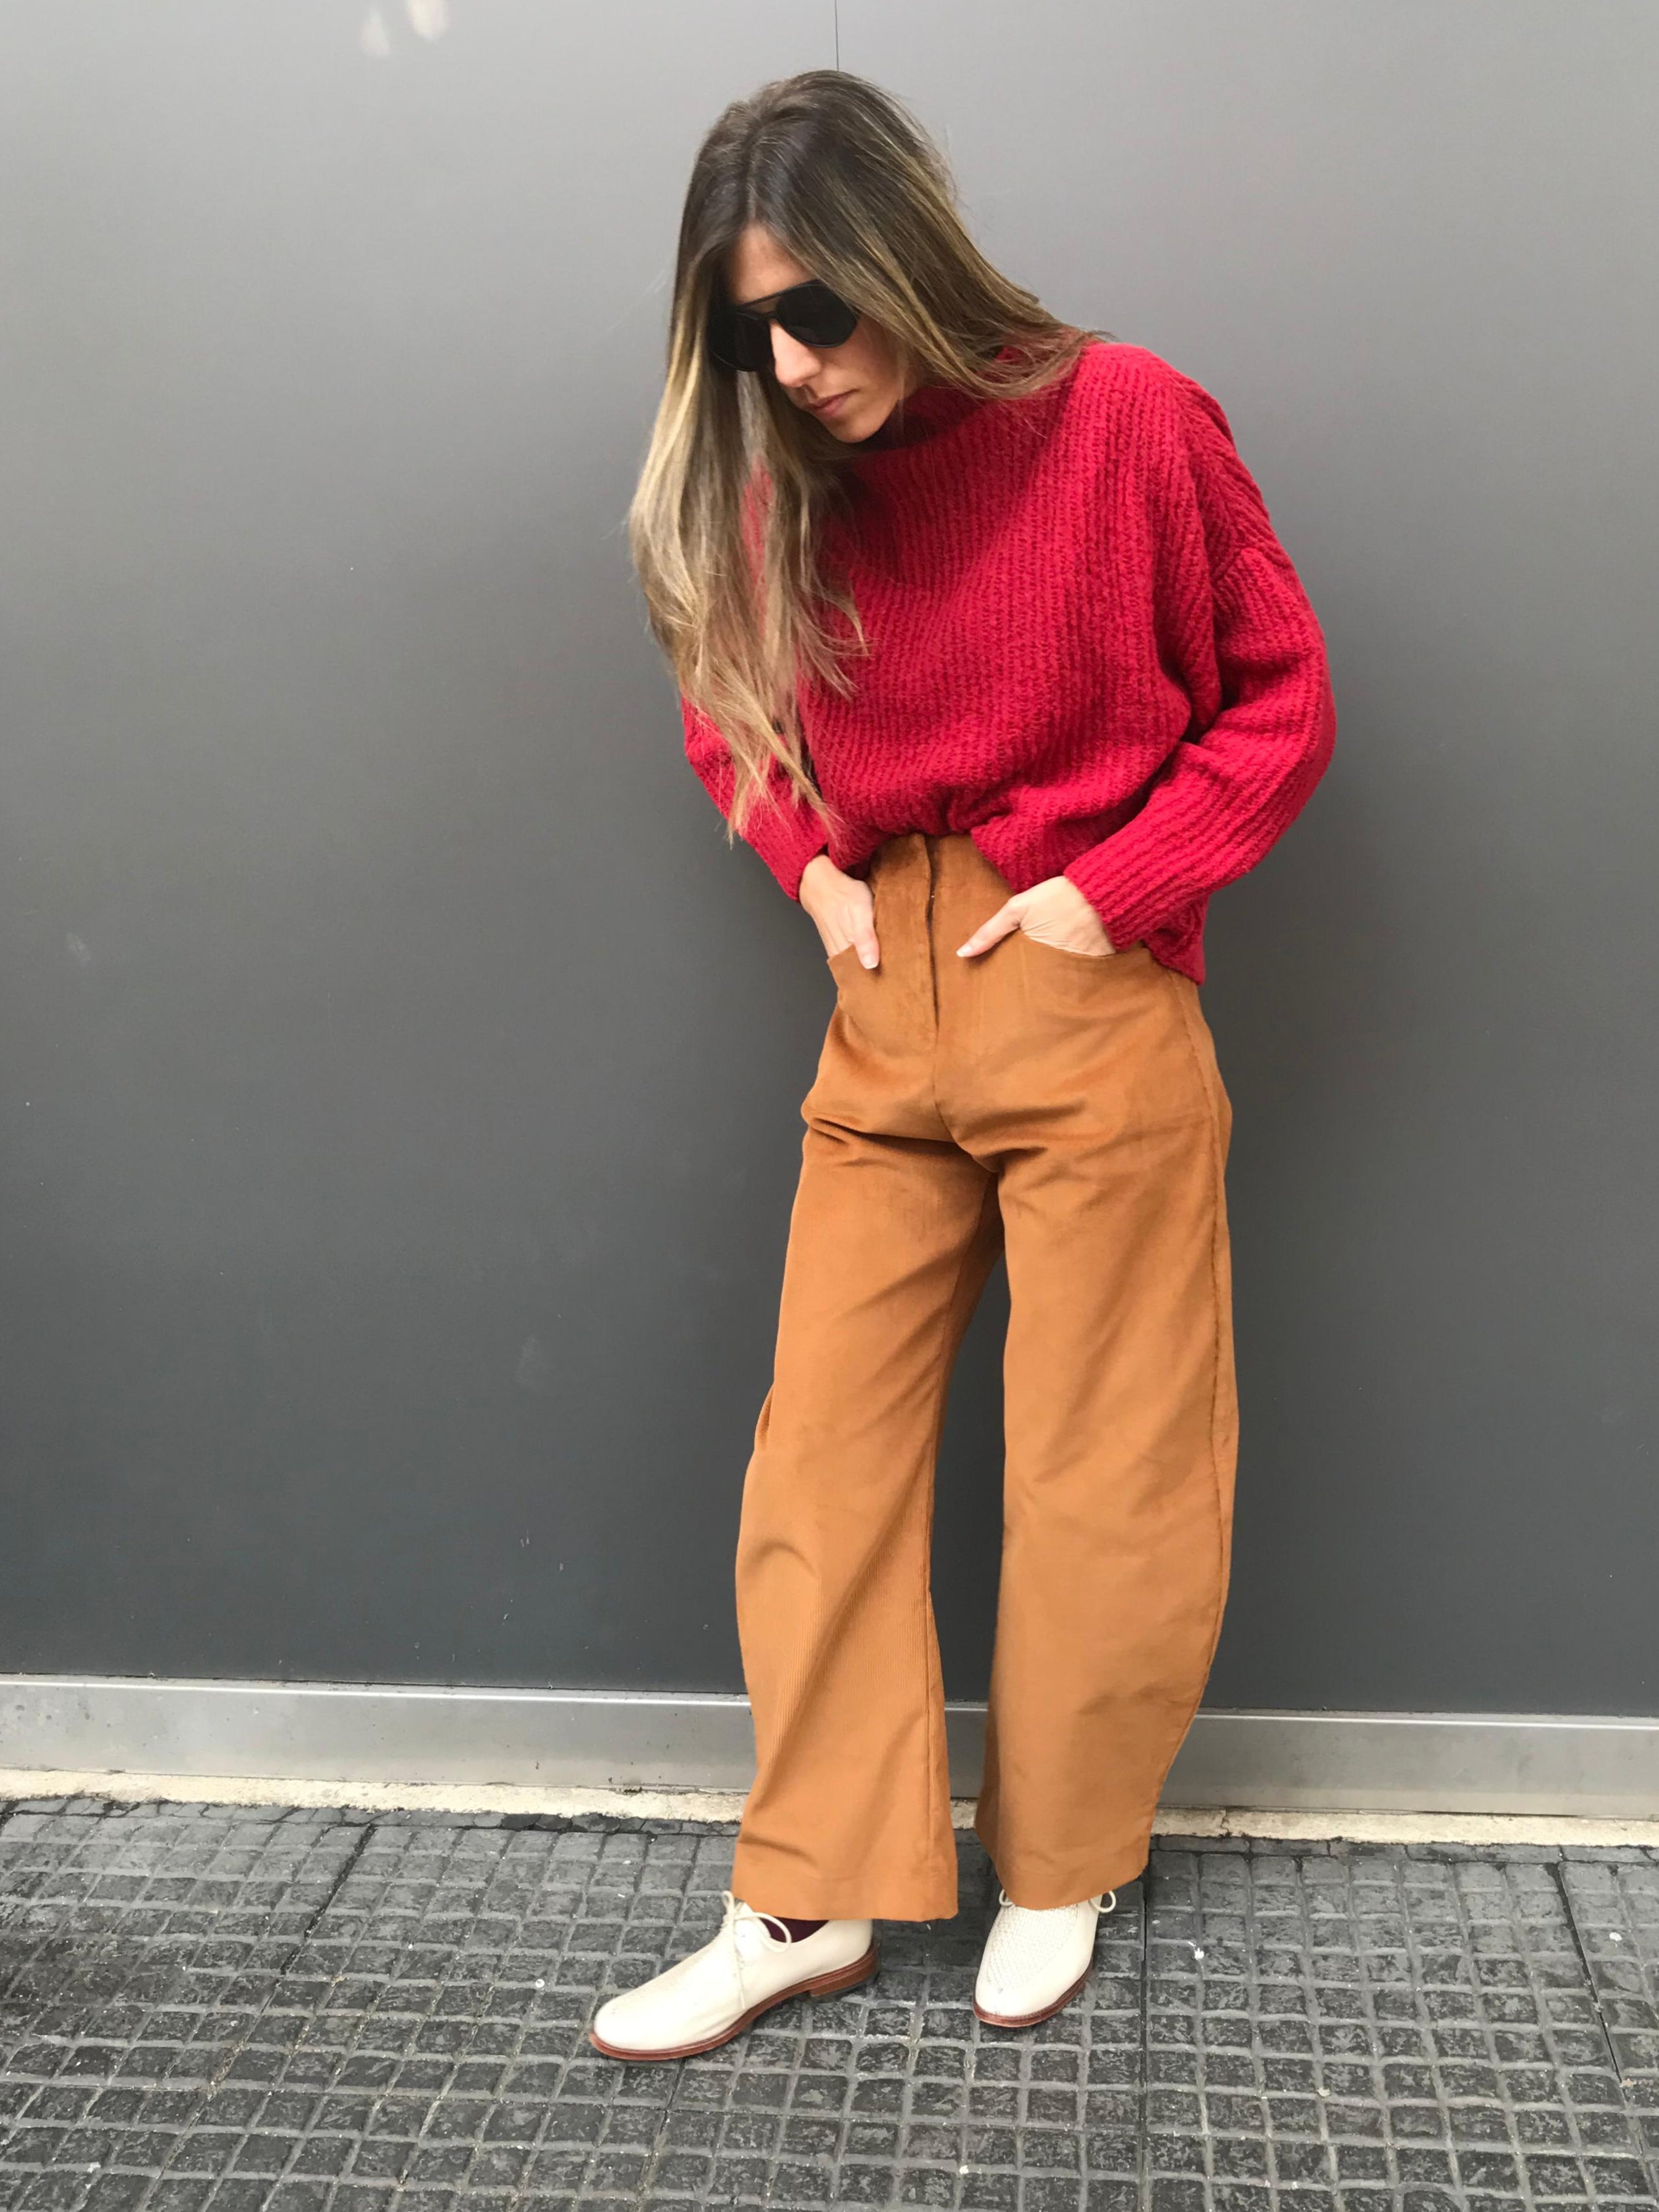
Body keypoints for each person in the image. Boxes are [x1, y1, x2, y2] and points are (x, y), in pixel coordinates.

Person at [596, 69, 1336, 2062]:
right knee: (817, 1458)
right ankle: (807, 1889)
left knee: (1103, 1460)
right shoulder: (785, 481)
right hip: (885, 1003)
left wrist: (1115, 893)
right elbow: (725, 703)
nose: (789, 363)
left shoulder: (1127, 419)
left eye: (816, 310)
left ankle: (1062, 1859)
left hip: (1081, 980)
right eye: (746, 332)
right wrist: (811, 873)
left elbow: (1279, 700)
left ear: (902, 254)